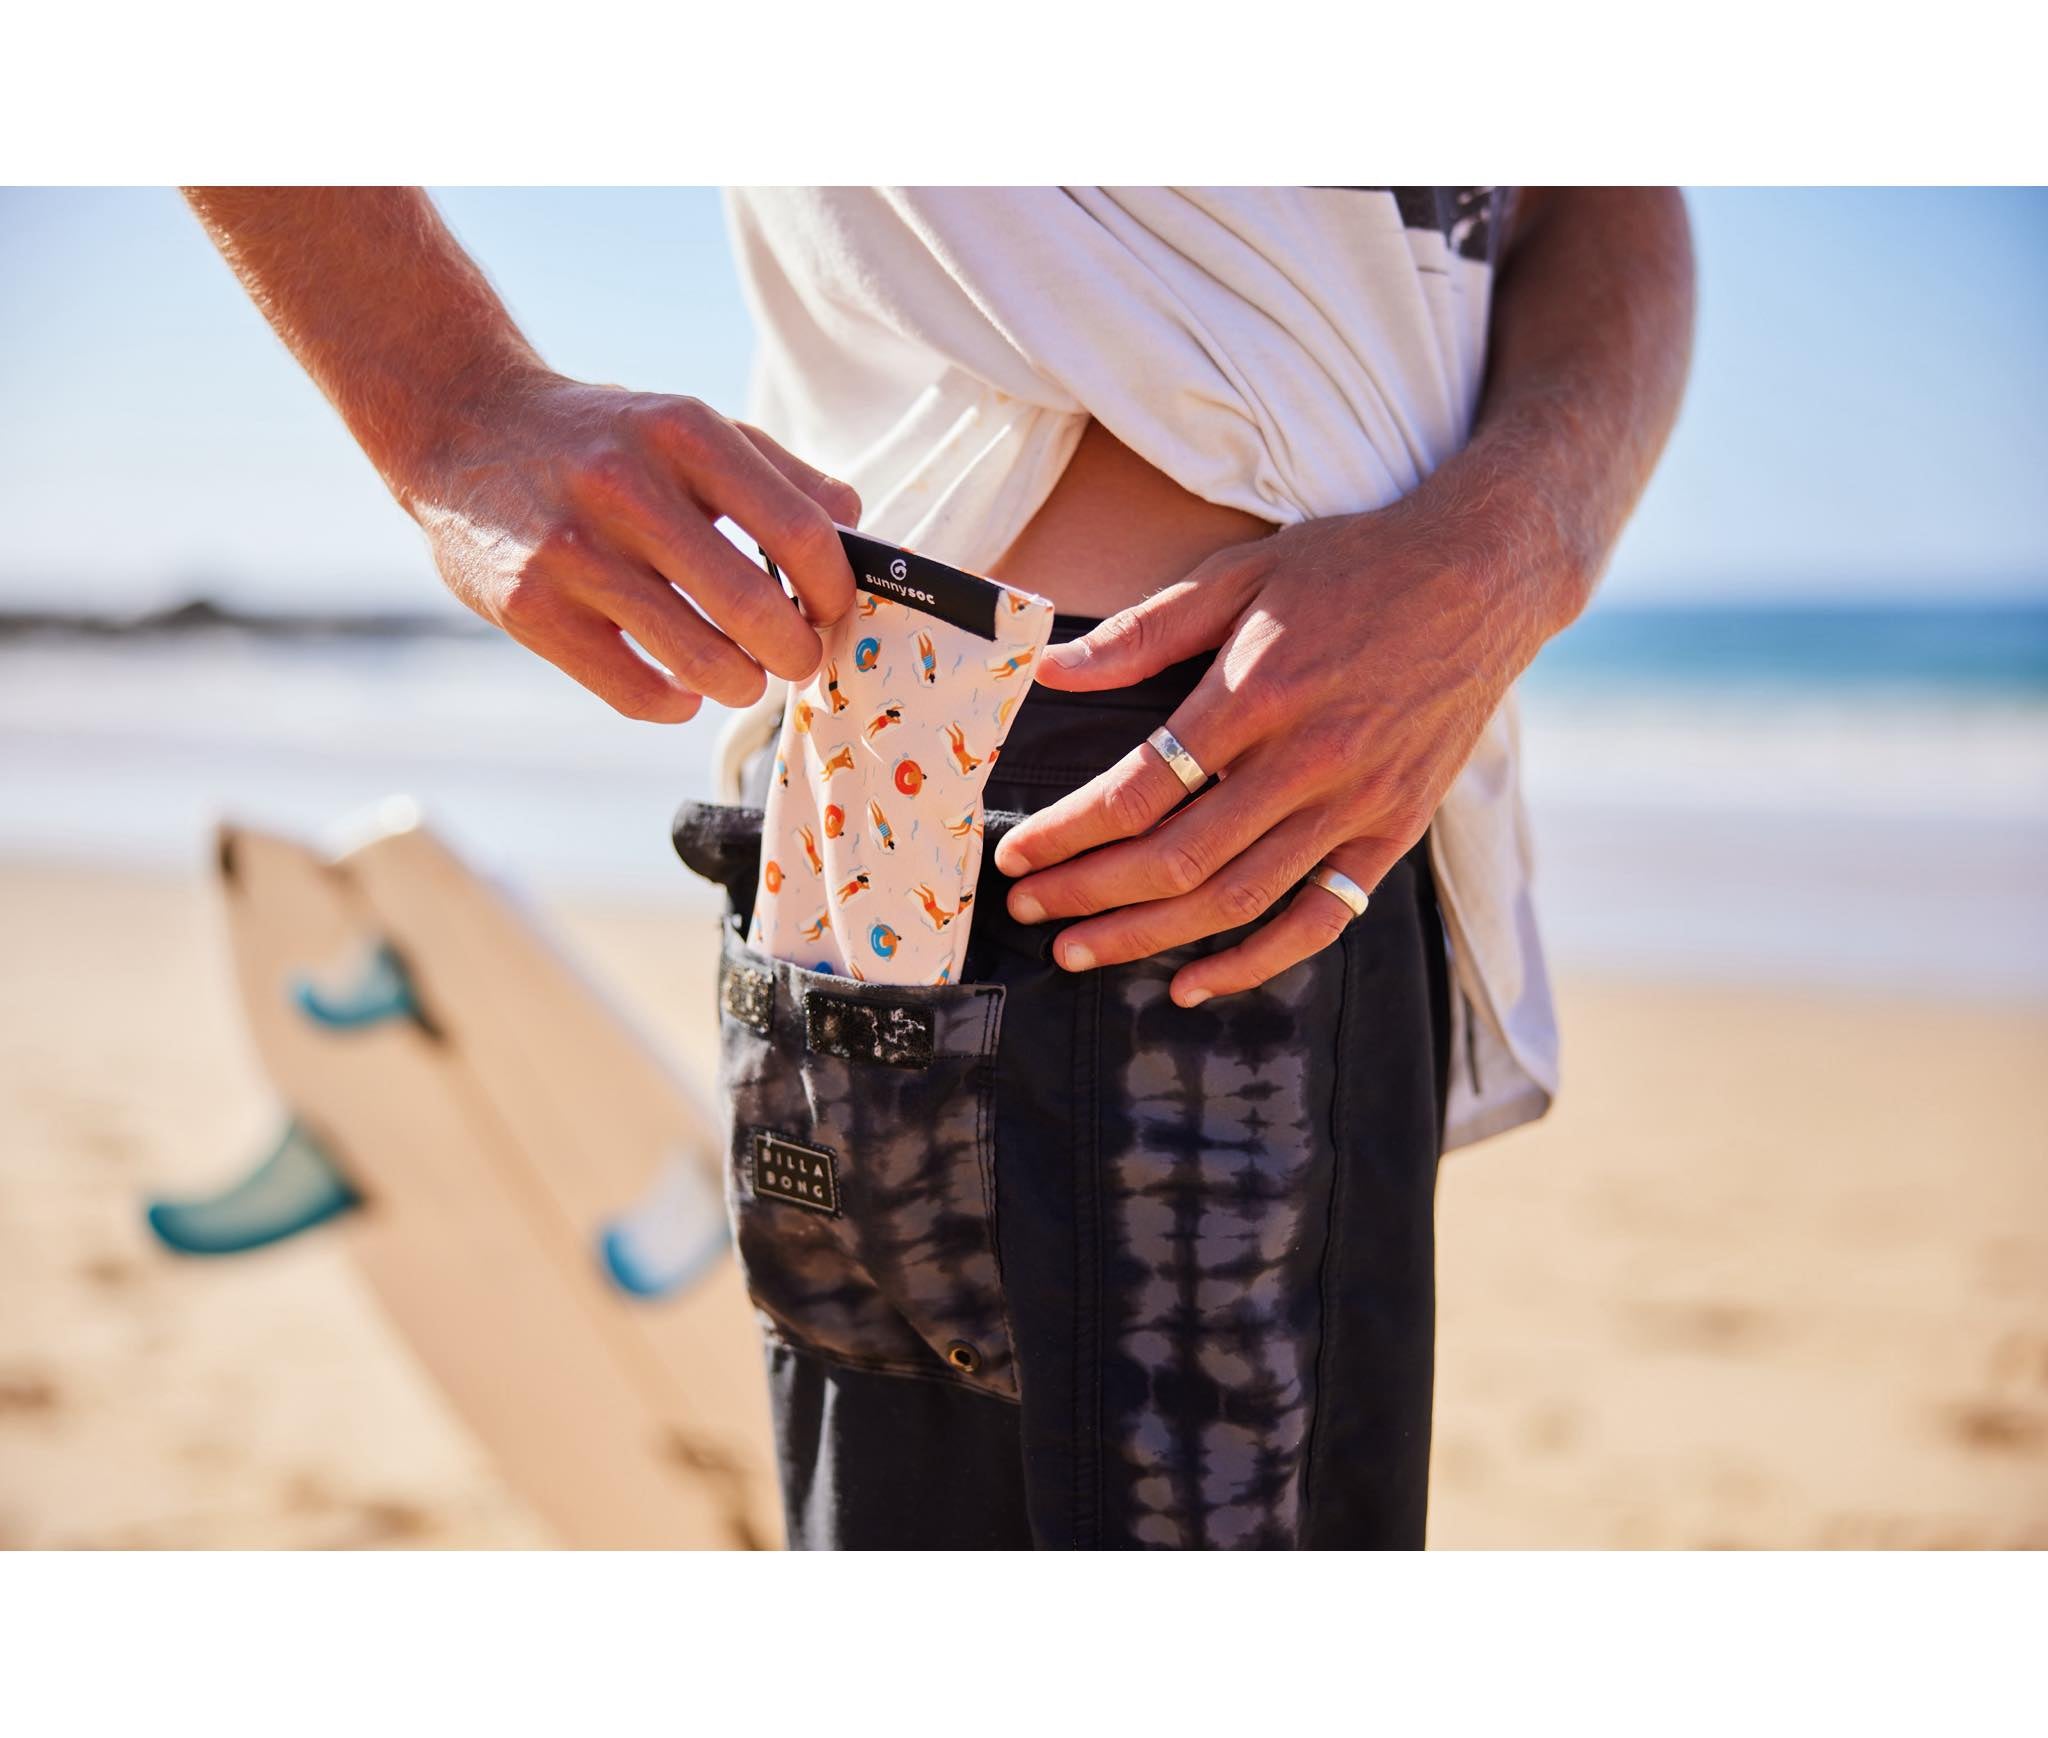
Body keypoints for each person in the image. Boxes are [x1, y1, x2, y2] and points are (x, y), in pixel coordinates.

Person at [186, 185, 1694, 1549]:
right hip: (1041, 806)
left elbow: (1598, 196)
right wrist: (451, 405)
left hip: (1351, 773)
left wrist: (1517, 546)